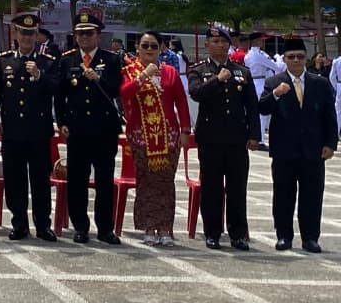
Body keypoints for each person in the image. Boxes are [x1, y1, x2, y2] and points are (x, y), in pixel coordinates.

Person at [258, 38, 338, 253]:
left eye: (300, 57)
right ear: (284, 59)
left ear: (306, 59)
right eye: (291, 57)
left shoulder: (320, 83)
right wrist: (276, 94)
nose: (295, 60)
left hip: (313, 150)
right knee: (283, 195)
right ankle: (284, 236)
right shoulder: (274, 82)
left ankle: (310, 237)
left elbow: (329, 115)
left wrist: (331, 143)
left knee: (312, 196)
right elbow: (262, 108)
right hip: (284, 150)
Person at [188, 25, 260, 250]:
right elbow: (197, 94)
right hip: (211, 139)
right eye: (215, 42)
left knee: (237, 188)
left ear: (230, 45)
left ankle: (238, 234)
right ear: (207, 45)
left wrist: (254, 134)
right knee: (212, 188)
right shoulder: (199, 70)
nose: (219, 46)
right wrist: (217, 80)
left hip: (237, 139)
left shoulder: (242, 71)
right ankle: (212, 232)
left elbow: (252, 106)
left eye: (223, 42)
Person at [54, 11, 123, 245]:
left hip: (104, 130)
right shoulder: (67, 60)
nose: (84, 37)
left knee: (104, 181)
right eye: (80, 34)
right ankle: (80, 227)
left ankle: (105, 228)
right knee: (78, 181)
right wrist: (62, 122)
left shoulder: (110, 59)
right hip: (78, 130)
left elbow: (116, 90)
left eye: (89, 33)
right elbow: (59, 96)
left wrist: (98, 79)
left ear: (98, 35)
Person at [0, 14, 58, 242]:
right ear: (16, 34)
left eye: (31, 34)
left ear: (37, 36)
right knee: (14, 180)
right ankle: (19, 223)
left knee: (40, 181)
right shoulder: (5, 60)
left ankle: (43, 225)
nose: (27, 38)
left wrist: (40, 76)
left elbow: (57, 89)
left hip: (38, 131)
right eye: (23, 33)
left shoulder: (47, 61)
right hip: (12, 131)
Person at [119, 32, 190, 246]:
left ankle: (165, 227)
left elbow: (181, 102)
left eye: (153, 46)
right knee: (146, 182)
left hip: (168, 136)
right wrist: (143, 76)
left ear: (160, 48)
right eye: (145, 45)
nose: (149, 49)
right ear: (137, 47)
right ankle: (148, 227)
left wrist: (185, 130)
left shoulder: (170, 72)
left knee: (166, 183)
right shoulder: (129, 71)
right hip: (141, 136)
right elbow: (124, 94)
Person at [242, 31, 277, 149]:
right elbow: (275, 67)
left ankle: (254, 137)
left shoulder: (248, 55)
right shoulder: (259, 55)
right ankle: (260, 140)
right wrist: (279, 60)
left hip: (253, 82)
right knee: (262, 113)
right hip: (260, 83)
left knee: (253, 112)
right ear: (256, 41)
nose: (262, 42)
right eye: (261, 40)